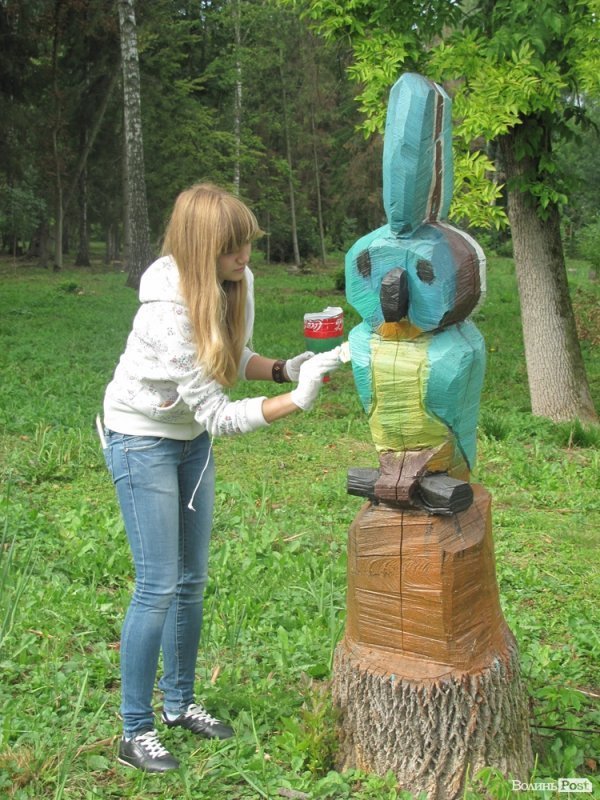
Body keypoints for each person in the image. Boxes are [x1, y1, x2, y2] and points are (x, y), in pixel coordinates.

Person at [101, 183, 341, 773]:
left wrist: (284, 369)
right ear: (200, 247)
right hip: (141, 438)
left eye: (247, 244)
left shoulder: (237, 281)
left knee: (191, 581)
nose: (245, 257)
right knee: (157, 583)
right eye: (232, 248)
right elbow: (219, 414)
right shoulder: (165, 312)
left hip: (189, 440)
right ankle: (134, 730)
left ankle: (179, 704)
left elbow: (231, 356)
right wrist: (296, 402)